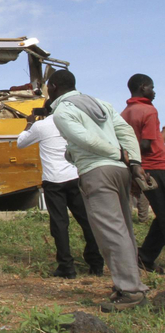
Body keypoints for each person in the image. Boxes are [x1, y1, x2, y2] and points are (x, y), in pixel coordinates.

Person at [49, 69, 149, 312]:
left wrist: (118, 153)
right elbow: (125, 131)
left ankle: (130, 291)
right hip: (120, 171)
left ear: (52, 87)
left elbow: (85, 140)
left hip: (97, 172)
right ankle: (130, 284)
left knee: (110, 233)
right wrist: (133, 161)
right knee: (124, 229)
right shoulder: (100, 103)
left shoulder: (62, 111)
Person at [17, 105, 104, 278]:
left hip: (54, 180)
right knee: (87, 221)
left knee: (59, 224)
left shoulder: (41, 126)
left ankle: (67, 267)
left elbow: (21, 143)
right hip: (75, 176)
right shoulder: (71, 122)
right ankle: (96, 263)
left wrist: (29, 123)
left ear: (45, 111)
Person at [121, 73, 165, 274]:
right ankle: (144, 258)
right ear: (142, 87)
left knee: (162, 215)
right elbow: (147, 144)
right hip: (156, 166)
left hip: (141, 169)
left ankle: (145, 257)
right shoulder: (149, 110)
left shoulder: (125, 113)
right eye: (152, 87)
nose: (154, 92)